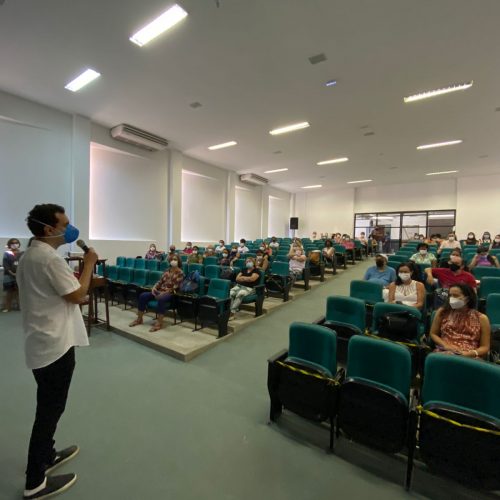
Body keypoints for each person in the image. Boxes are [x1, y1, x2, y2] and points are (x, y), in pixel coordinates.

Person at [17, 203, 98, 499]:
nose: (70, 229)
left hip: (42, 341)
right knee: (49, 411)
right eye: (64, 225)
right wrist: (89, 264)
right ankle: (35, 482)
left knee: (51, 405)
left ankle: (47, 455)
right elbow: (78, 294)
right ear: (49, 229)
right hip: (54, 346)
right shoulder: (49, 259)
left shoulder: (30, 255)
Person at [430, 284, 490, 358]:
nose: (451, 298)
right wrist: (445, 345)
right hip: (445, 351)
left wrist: (469, 353)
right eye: (450, 295)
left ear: (467, 298)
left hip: (470, 355)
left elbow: (485, 347)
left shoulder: (482, 318)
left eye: (455, 296)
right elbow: (433, 333)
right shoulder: (443, 312)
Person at [129, 255, 184, 332]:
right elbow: (160, 281)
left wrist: (163, 293)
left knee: (161, 299)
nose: (173, 261)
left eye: (175, 259)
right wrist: (154, 287)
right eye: (172, 259)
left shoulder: (180, 273)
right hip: (160, 290)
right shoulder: (166, 270)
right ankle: (139, 319)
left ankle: (159, 323)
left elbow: (175, 287)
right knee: (143, 296)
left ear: (178, 261)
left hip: (171, 293)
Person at [2, 238, 23, 312]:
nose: (15, 244)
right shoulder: (7, 253)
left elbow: (24, 264)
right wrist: (12, 273)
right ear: (9, 245)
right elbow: (5, 265)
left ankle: (20, 307)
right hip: (9, 275)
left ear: (19, 244)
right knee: (9, 292)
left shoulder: (22, 253)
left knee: (19, 292)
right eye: (13, 243)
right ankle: (7, 308)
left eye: (16, 243)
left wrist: (19, 273)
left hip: (19, 275)